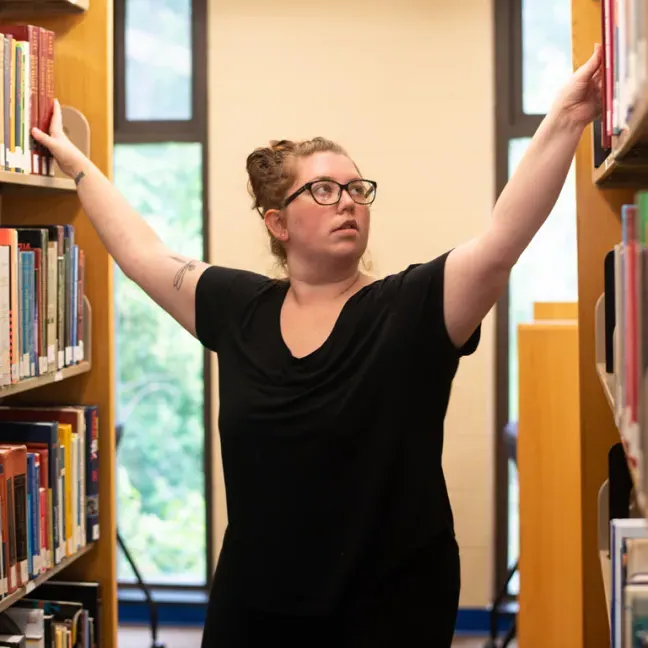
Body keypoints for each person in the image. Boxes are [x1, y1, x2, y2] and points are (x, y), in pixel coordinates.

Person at [32, 43, 603, 647]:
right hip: (254, 608)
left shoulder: (411, 308)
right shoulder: (238, 309)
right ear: (279, 223)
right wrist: (75, 162)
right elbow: (142, 253)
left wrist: (567, 115)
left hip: (390, 612)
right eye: (325, 190)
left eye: (357, 188)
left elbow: (502, 239)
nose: (349, 201)